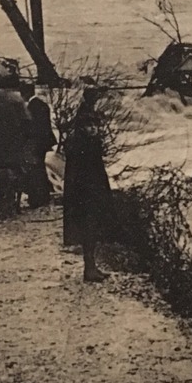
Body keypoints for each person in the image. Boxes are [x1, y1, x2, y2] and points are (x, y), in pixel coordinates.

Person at [61, 88, 115, 282]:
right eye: (90, 126)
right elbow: (82, 172)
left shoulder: (86, 141)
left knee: (91, 231)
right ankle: (89, 269)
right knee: (89, 230)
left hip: (89, 191)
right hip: (85, 193)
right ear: (83, 127)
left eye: (96, 125)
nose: (94, 129)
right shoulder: (82, 144)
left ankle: (91, 267)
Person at [0, 83, 29, 216]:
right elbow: (26, 122)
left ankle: (3, 200)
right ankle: (14, 203)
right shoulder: (17, 101)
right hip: (14, 145)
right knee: (16, 173)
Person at [21, 82, 56, 209]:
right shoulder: (41, 105)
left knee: (35, 170)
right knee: (40, 169)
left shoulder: (31, 107)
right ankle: (42, 196)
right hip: (43, 142)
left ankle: (37, 198)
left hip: (36, 143)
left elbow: (32, 128)